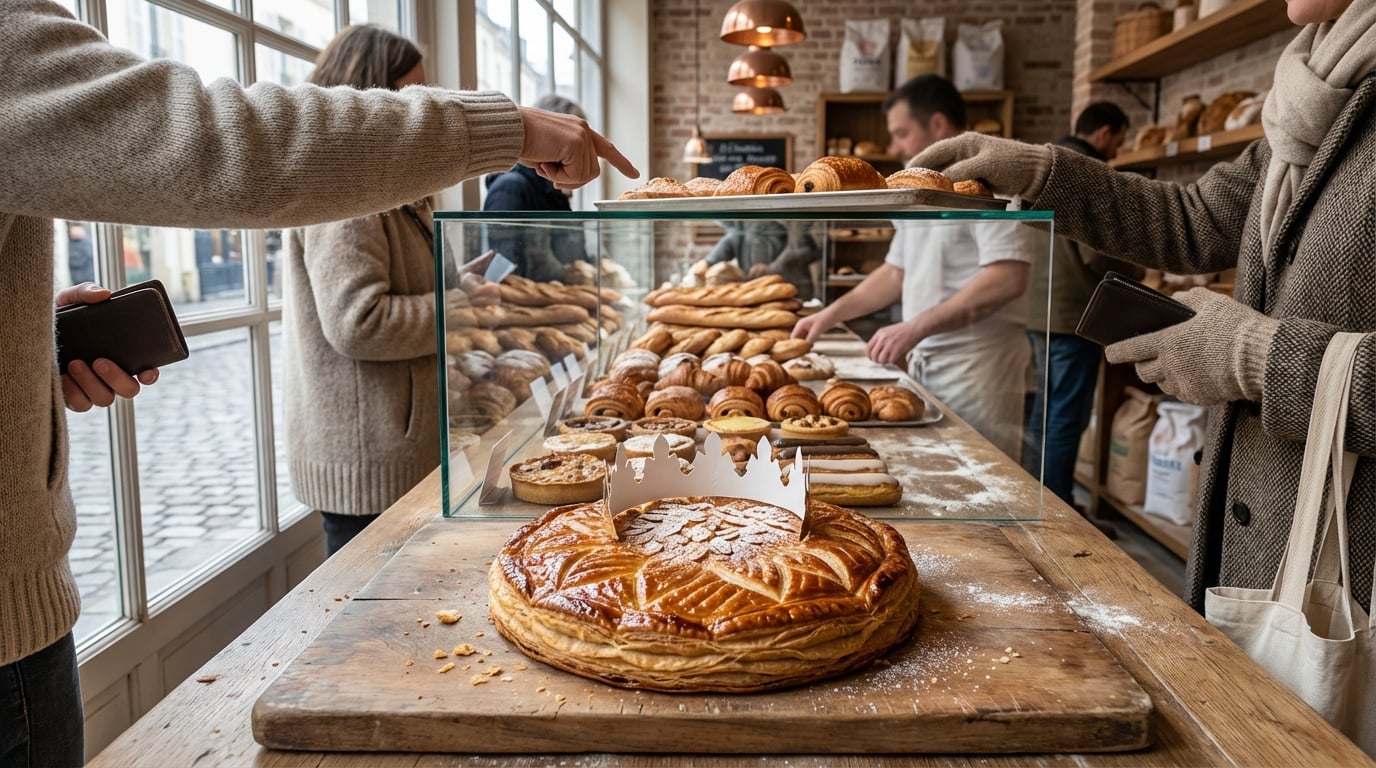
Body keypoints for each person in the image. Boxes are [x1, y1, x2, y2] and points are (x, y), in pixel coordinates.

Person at [0, 3, 637, 765]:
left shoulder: (403, 204)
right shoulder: (350, 209)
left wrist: (26, 341)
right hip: (366, 448)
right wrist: (500, 155)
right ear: (371, 93)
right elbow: (349, 309)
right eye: (409, 92)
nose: (417, 102)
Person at [911, 0, 1376, 616]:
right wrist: (1040, 172)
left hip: (1350, 558)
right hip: (1265, 533)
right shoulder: (1313, 94)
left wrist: (1263, 358)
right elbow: (1196, 219)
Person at [793, 74, 1040, 458]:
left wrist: (915, 326)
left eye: (901, 132)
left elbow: (1007, 276)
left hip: (978, 370)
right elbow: (896, 271)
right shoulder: (915, 187)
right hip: (927, 363)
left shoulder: (990, 183)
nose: (894, 145)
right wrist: (828, 315)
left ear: (938, 125)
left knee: (984, 483)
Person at [1021, 101, 1142, 508]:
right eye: (1120, 139)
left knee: (1043, 415)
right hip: (1074, 313)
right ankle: (1057, 511)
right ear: (1105, 132)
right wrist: (1139, 270)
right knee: (1065, 419)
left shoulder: (1044, 167)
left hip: (1037, 308)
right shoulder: (1087, 173)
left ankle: (1034, 502)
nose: (1117, 150)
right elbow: (1097, 253)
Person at [483, 94, 593, 282]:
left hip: (563, 302)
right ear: (549, 138)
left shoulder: (556, 191)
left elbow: (574, 255)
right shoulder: (511, 188)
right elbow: (511, 273)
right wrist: (570, 275)